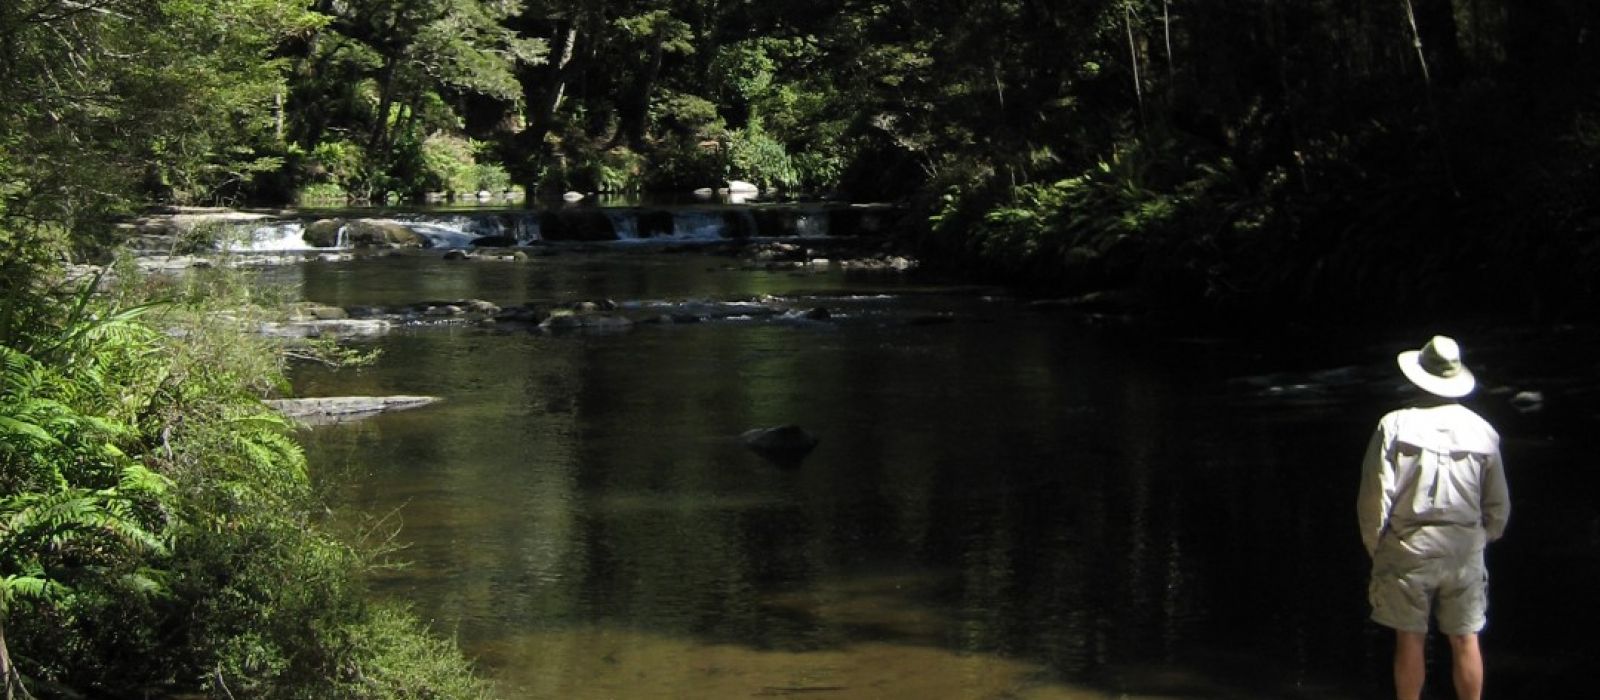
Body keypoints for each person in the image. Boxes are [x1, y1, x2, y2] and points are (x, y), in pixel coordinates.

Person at [1358, 335, 1510, 700]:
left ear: (1418, 377)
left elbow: (1375, 496)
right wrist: (1479, 539)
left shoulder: (1393, 425)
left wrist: (1377, 544)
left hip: (1407, 546)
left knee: (1409, 638)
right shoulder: (1483, 430)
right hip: (1464, 549)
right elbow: (1498, 507)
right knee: (1465, 638)